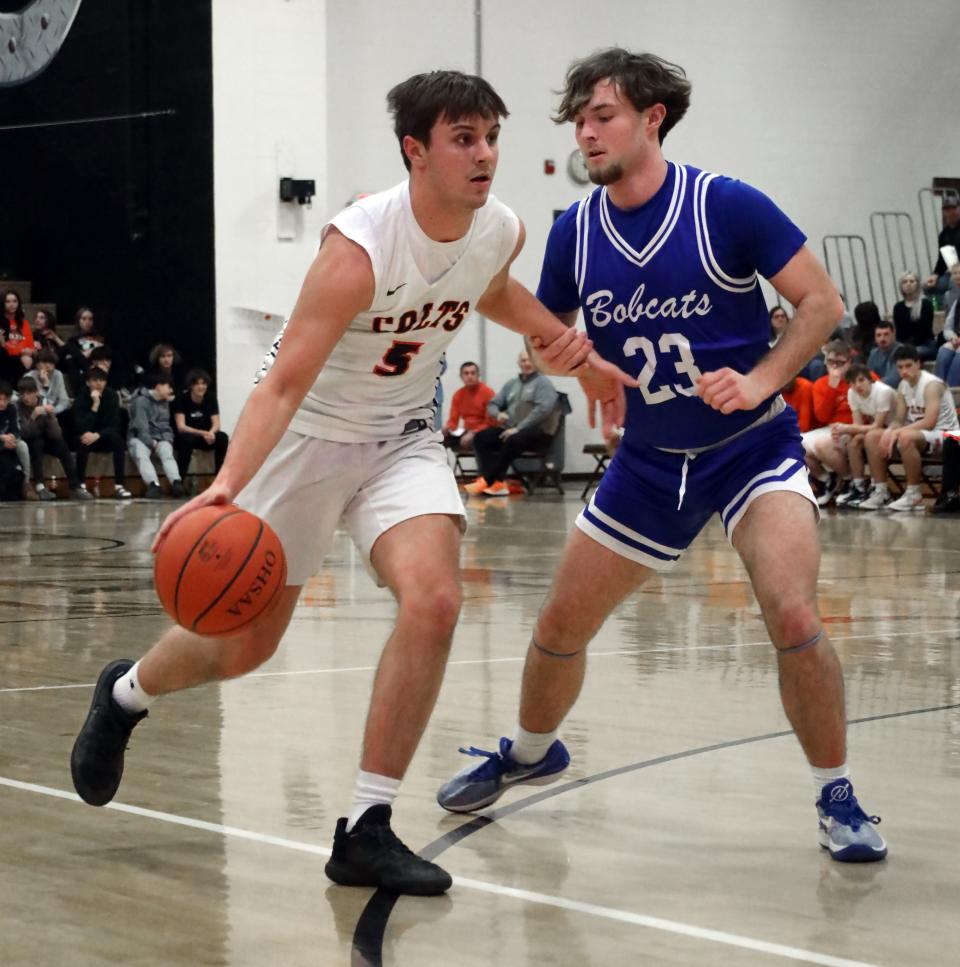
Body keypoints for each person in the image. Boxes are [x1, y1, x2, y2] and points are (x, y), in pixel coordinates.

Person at [69, 68, 629, 897]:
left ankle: (367, 827)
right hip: (304, 437)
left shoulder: (498, 229)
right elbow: (284, 382)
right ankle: (124, 694)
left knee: (435, 599)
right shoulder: (360, 247)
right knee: (247, 642)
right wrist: (227, 483)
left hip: (399, 438)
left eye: (491, 138)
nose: (484, 156)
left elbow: (495, 291)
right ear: (416, 151)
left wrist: (573, 352)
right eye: (464, 140)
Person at [437, 47, 887, 863]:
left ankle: (837, 791)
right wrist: (575, 365)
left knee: (792, 613)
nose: (587, 131)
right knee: (558, 625)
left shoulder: (727, 206)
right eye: (578, 119)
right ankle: (534, 750)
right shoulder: (574, 231)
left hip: (750, 448)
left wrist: (759, 380)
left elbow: (820, 303)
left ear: (654, 117)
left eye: (602, 114)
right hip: (649, 459)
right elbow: (544, 344)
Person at [859, 344, 960, 511]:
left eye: (908, 366)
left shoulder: (931, 385)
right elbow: (899, 419)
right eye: (900, 367)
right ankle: (881, 491)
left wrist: (898, 432)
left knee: (906, 437)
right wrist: (890, 431)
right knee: (872, 436)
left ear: (918, 364)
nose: (904, 371)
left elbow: (929, 422)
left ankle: (913, 493)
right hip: (921, 434)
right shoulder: (903, 386)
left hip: (945, 434)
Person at [464, 349, 560, 496]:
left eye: (529, 360)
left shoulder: (543, 383)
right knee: (481, 438)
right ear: (518, 363)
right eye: (523, 360)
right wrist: (498, 414)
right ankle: (497, 483)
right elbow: (493, 404)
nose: (526, 363)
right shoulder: (511, 384)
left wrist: (519, 428)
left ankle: (488, 481)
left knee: (513, 439)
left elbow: (542, 411)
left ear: (536, 362)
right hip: (512, 430)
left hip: (538, 434)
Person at [14, 376, 93, 501]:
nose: (25, 397)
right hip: (29, 441)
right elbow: (23, 433)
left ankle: (75, 487)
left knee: (61, 445)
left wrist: (51, 417)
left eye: (29, 393)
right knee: (37, 442)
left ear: (35, 392)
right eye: (22, 394)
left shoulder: (44, 402)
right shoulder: (17, 407)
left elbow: (56, 434)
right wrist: (33, 416)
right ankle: (40, 487)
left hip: (46, 438)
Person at [833, 363, 897, 508]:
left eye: (861, 380)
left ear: (870, 379)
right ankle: (859, 487)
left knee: (870, 437)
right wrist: (847, 430)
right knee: (853, 440)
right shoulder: (852, 393)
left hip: (898, 427)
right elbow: (858, 426)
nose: (857, 386)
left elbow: (877, 426)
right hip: (880, 429)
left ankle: (881, 490)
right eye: (852, 382)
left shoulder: (883, 392)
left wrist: (846, 427)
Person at [802, 340, 854, 505]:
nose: (836, 367)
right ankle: (827, 480)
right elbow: (822, 416)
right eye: (831, 362)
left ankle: (850, 481)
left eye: (840, 363)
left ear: (849, 362)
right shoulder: (821, 384)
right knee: (794, 443)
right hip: (830, 427)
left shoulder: (861, 378)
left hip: (854, 428)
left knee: (823, 444)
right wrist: (832, 387)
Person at [72, 366, 134, 500]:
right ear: (88, 382)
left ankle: (119, 486)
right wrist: (95, 405)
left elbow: (114, 425)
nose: (99, 384)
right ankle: (80, 486)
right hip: (87, 436)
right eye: (95, 380)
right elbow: (81, 426)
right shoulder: (81, 397)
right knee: (82, 441)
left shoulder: (111, 395)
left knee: (118, 441)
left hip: (103, 436)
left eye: (102, 380)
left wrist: (97, 435)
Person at [126, 373, 185, 499]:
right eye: (168, 387)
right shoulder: (140, 401)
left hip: (159, 437)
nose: (170, 391)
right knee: (141, 453)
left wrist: (167, 439)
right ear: (158, 386)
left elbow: (165, 425)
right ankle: (153, 484)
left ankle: (176, 482)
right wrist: (150, 442)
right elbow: (141, 426)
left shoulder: (165, 403)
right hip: (139, 437)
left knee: (167, 452)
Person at [172, 368, 229, 479]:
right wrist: (203, 433)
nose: (201, 387)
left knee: (222, 437)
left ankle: (219, 477)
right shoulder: (182, 399)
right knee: (186, 440)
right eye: (197, 384)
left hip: (206, 437)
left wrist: (211, 433)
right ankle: (179, 480)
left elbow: (217, 423)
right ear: (191, 386)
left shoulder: (210, 398)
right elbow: (181, 427)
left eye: (203, 384)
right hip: (188, 436)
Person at [442, 360, 495, 453]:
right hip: (466, 432)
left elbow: (490, 422)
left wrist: (474, 433)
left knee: (479, 439)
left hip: (483, 432)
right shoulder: (458, 395)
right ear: (461, 377)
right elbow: (453, 421)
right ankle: (443, 467)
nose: (469, 376)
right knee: (440, 440)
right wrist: (447, 427)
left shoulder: (488, 393)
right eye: (466, 373)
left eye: (473, 373)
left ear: (478, 375)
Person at [892, 271, 936, 361]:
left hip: (925, 344)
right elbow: (899, 332)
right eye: (905, 282)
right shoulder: (898, 307)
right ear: (901, 286)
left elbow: (925, 330)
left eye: (911, 281)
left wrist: (909, 347)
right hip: (904, 345)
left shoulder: (926, 304)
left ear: (917, 284)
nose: (908, 284)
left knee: (908, 355)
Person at [60, 307, 105, 387]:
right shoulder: (73, 339)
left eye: (90, 319)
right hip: (80, 365)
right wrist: (83, 354)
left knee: (70, 357)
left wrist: (91, 351)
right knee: (69, 357)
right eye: (84, 319)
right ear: (78, 321)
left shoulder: (99, 337)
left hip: (94, 362)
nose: (87, 322)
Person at [924, 197, 960, 295]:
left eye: (954, 208)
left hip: (956, 273)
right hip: (951, 272)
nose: (951, 212)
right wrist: (935, 275)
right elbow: (942, 260)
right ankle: (944, 308)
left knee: (953, 284)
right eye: (947, 209)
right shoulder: (944, 235)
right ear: (944, 212)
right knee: (927, 287)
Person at [933, 262, 960, 387]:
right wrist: (953, 337)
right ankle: (938, 389)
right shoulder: (957, 301)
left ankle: (954, 394)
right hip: (958, 339)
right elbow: (948, 327)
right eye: (955, 273)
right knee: (944, 351)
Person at [1, 289, 35, 384]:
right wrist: (20, 352)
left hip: (20, 356)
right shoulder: (1, 322)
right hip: (7, 356)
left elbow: (30, 346)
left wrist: (28, 352)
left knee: (27, 360)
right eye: (8, 301)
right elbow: (3, 346)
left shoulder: (24, 323)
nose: (12, 304)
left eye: (15, 301)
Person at [0, 380, 25, 501]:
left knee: (16, 472)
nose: (2, 403)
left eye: (5, 400)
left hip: (8, 448)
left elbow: (15, 429)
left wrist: (12, 437)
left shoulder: (11, 409)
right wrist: (2, 438)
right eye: (0, 399)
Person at [866, 320, 903, 388]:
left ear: (893, 334)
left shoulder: (902, 351)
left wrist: (872, 385)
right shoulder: (874, 353)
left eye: (886, 334)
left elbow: (894, 380)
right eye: (878, 335)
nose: (882, 339)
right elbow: (868, 376)